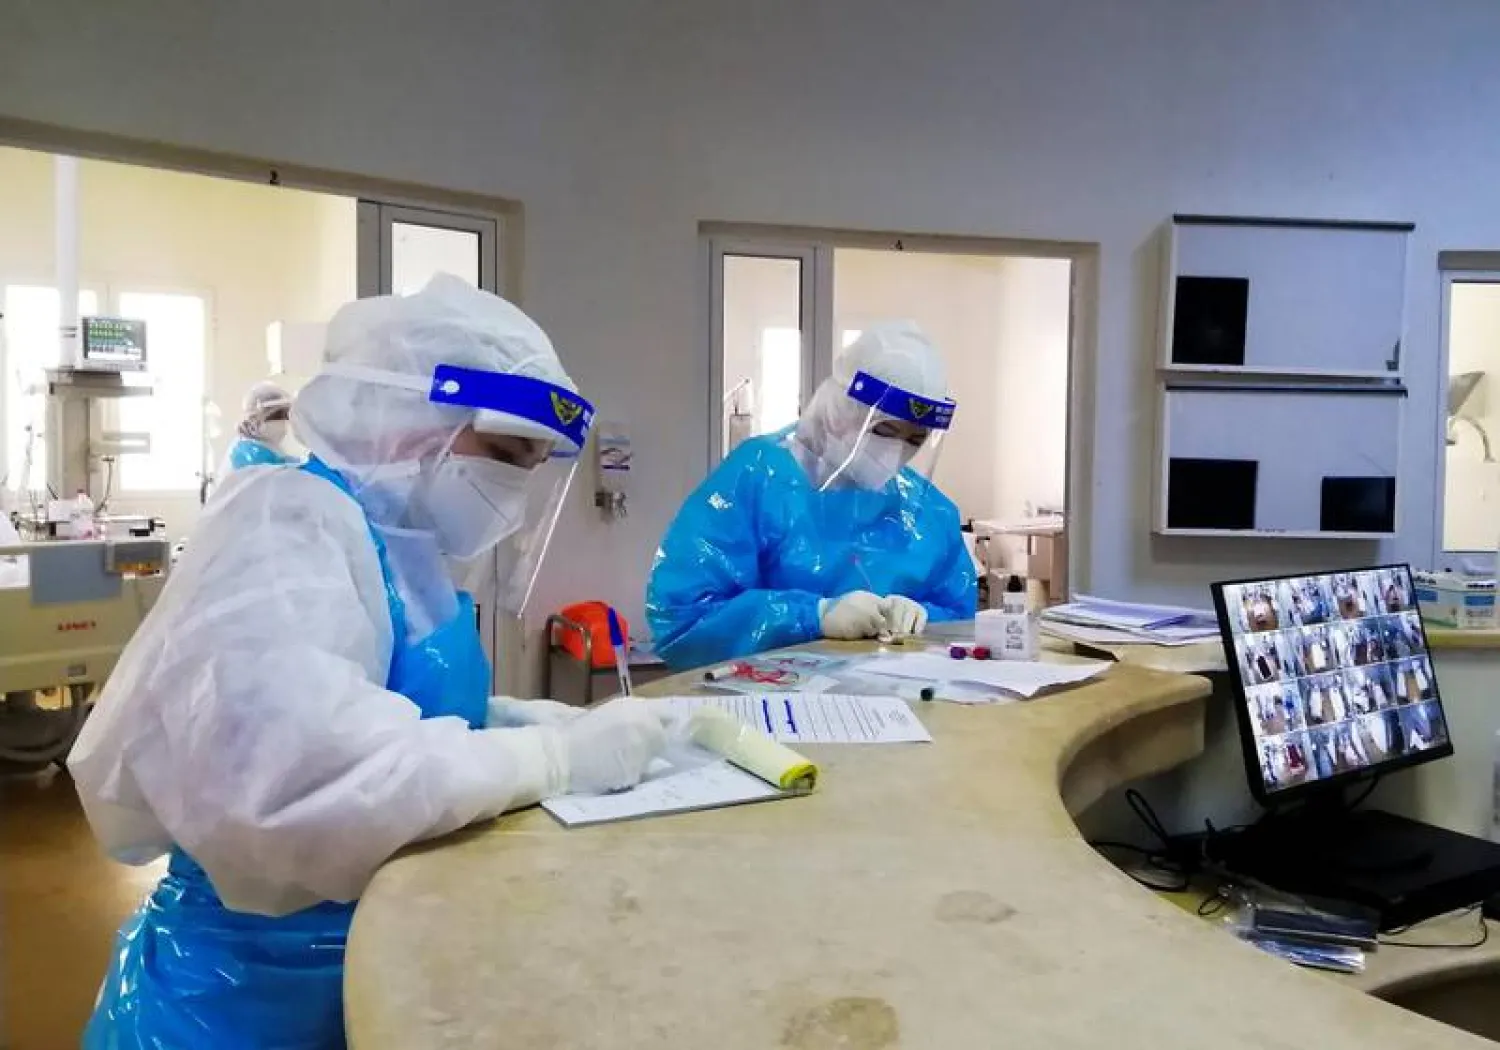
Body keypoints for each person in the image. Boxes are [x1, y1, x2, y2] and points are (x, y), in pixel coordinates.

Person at [69, 275, 668, 1048]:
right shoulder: (285, 527)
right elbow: (289, 782)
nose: (516, 486)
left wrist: (499, 720)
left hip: (356, 966)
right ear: (407, 416)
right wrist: (547, 757)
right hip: (237, 1000)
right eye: (506, 452)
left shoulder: (400, 550)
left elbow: (373, 705)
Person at [646, 322, 976, 669]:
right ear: (839, 411)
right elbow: (683, 618)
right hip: (762, 706)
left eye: (915, 440)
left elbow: (960, 617)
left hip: (891, 705)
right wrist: (814, 616)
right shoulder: (758, 477)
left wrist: (925, 617)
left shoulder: (927, 512)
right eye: (884, 430)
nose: (895, 453)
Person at [227, 380, 297, 469]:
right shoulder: (250, 453)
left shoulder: (265, 446)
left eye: (286, 415)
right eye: (279, 415)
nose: (284, 421)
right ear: (255, 419)